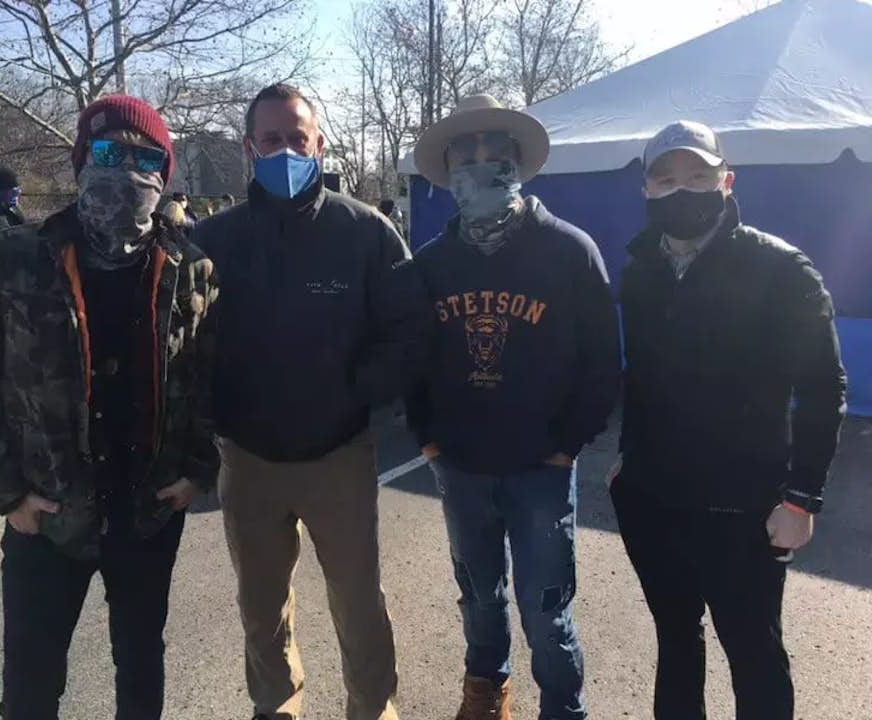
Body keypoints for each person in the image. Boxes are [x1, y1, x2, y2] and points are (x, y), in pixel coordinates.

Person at [0, 95, 219, 720]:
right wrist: (6, 492)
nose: (125, 168)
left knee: (141, 673)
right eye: (106, 151)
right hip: (46, 517)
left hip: (147, 513)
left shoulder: (191, 268)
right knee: (32, 686)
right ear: (79, 162)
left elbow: (207, 376)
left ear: (165, 172)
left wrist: (197, 471)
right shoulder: (12, 258)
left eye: (145, 156)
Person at [193, 82, 429, 720]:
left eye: (298, 138)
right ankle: (278, 707)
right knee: (261, 609)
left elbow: (407, 331)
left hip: (338, 456)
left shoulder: (366, 233)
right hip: (248, 460)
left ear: (319, 143)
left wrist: (356, 394)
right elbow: (184, 348)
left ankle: (373, 710)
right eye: (272, 140)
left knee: (358, 604)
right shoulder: (213, 242)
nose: (286, 151)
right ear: (250, 150)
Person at [609, 120, 847, 720]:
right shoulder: (640, 269)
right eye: (664, 179)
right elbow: (641, 378)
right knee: (675, 642)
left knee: (753, 654)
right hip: (654, 502)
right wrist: (626, 459)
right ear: (645, 189)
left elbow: (823, 387)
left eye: (696, 176)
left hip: (743, 511)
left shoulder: (781, 269)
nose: (679, 189)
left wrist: (801, 500)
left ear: (726, 180)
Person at [406, 95, 620, 720]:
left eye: (494, 149)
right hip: (462, 466)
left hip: (541, 468)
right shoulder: (431, 264)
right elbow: (411, 359)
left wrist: (569, 442)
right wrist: (428, 438)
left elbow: (602, 361)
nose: (480, 162)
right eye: (465, 153)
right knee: (477, 594)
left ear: (518, 160)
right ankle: (486, 688)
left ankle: (563, 706)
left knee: (546, 604)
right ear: (446, 171)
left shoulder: (569, 251)